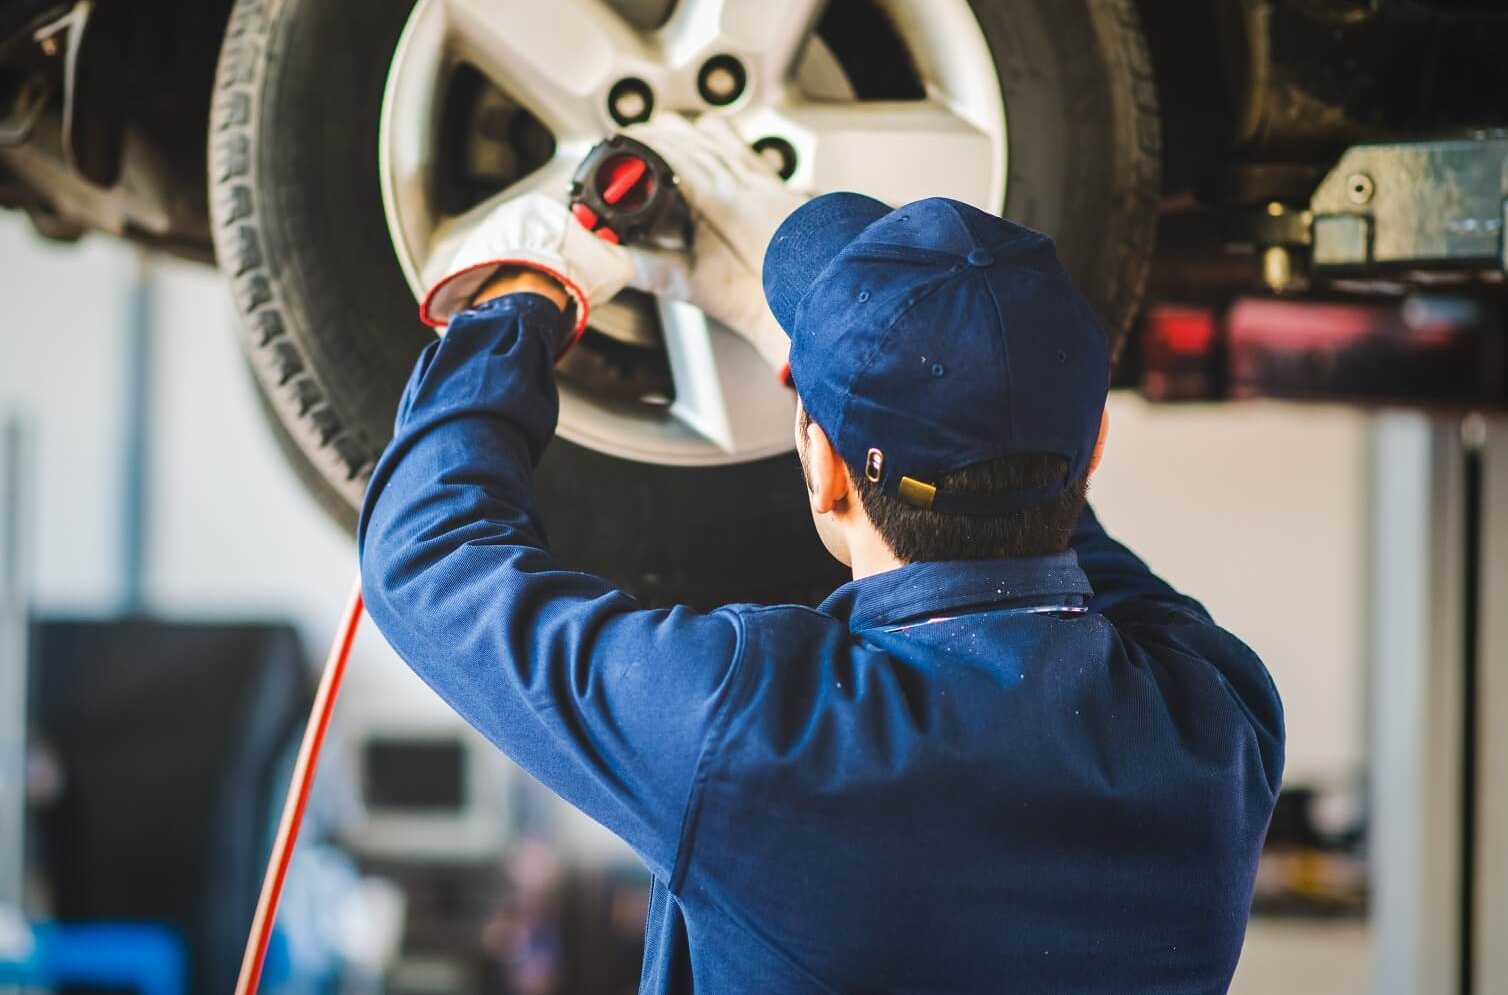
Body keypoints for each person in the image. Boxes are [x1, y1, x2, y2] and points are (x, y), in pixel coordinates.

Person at [359, 115, 1283, 994]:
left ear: (822, 465)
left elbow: (429, 562)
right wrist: (822, 377)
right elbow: (1048, 528)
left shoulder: (757, 734)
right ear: (1096, 446)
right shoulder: (1219, 721)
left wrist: (525, 293)